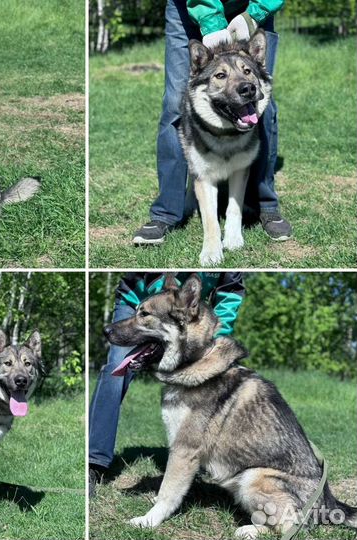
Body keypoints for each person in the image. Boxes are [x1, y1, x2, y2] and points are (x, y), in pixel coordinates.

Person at [133, 0, 292, 246]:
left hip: (254, 4)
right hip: (190, 5)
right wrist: (210, 19)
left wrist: (255, 13)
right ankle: (167, 211)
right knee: (175, 102)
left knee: (262, 104)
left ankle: (263, 204)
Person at [88, 272, 245, 496]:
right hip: (140, 300)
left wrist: (217, 335)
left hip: (186, 316)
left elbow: (230, 289)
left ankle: (215, 458)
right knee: (116, 370)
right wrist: (161, 300)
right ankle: (93, 463)